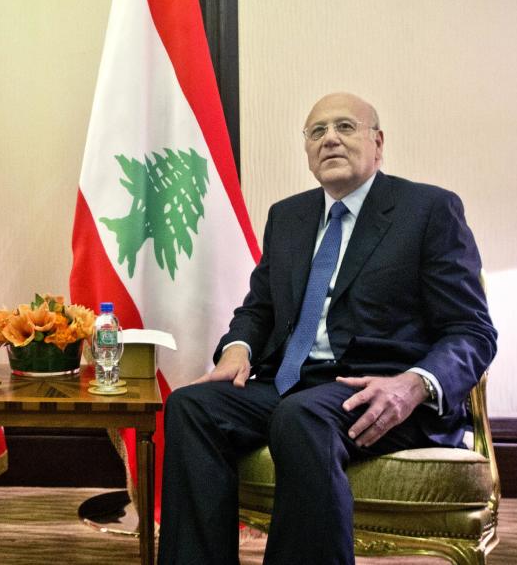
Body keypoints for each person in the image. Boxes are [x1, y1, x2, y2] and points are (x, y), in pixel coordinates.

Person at [157, 92, 497, 564]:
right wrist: (237, 349)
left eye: (345, 127)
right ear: (307, 152)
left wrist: (414, 385)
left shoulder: (427, 210)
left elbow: (471, 331)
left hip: (379, 389)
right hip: (293, 383)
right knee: (191, 406)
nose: (330, 139)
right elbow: (259, 308)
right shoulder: (288, 216)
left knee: (302, 416)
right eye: (317, 132)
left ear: (378, 143)